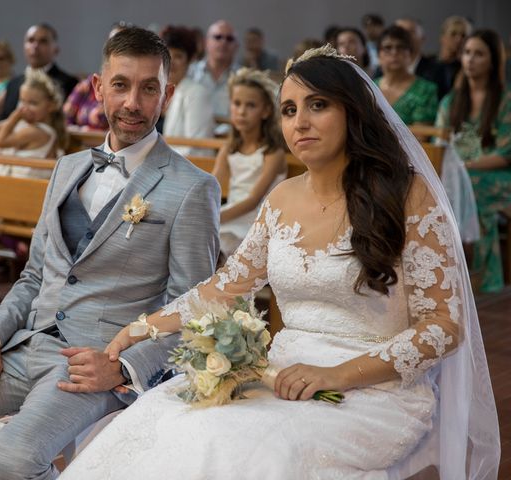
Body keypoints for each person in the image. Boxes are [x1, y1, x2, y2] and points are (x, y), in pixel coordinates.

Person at [61, 45, 500, 480]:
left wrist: (338, 375)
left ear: (353, 111)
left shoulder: (408, 194)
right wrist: (142, 327)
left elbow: (444, 324)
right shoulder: (282, 199)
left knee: (251, 452)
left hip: (372, 390)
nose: (300, 121)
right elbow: (226, 287)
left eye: (318, 105)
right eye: (288, 110)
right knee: (161, 416)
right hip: (278, 375)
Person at [0, 26, 221, 480]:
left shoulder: (192, 187)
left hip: (95, 365)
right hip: (23, 346)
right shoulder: (68, 168)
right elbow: (35, 276)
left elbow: (192, 312)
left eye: (148, 87)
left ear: (166, 94)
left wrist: (121, 367)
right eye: (120, 84)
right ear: (98, 88)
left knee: (15, 458)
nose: (133, 102)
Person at [435, 29, 511, 294]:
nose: (470, 59)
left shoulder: (505, 100)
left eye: (479, 53)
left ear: (493, 60)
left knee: (472, 187)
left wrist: (465, 169)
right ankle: (444, 274)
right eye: (467, 53)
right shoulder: (451, 101)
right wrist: (457, 171)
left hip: (496, 176)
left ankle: (482, 279)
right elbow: (439, 145)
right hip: (457, 175)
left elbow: (505, 154)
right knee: (434, 192)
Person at [212, 68, 286, 258]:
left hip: (257, 218)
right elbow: (212, 186)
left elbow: (254, 200)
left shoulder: (272, 152)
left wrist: (216, 217)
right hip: (232, 213)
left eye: (251, 105)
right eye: (237, 104)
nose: (242, 111)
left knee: (222, 238)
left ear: (266, 111)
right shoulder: (229, 147)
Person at [0, 69, 67, 179]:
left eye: (33, 103)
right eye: (22, 101)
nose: (24, 108)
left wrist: (14, 117)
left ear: (51, 106)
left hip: (23, 189)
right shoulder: (40, 129)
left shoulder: (37, 132)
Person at [1, 23, 78, 119]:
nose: (35, 46)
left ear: (56, 49)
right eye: (30, 40)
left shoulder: (69, 83)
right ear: (24, 47)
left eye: (43, 41)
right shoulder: (13, 84)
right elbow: (4, 118)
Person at [161, 25, 215, 156]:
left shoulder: (197, 93)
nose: (172, 61)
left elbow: (198, 150)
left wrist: (156, 155)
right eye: (167, 55)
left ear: (190, 60)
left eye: (178, 56)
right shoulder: (158, 91)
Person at [375, 26, 438, 125]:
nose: (394, 52)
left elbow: (421, 134)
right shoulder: (368, 88)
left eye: (401, 47)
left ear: (411, 54)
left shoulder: (426, 90)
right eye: (388, 47)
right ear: (378, 55)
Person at [188, 20, 240, 119]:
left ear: (236, 46)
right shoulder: (189, 73)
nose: (223, 42)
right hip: (190, 133)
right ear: (206, 42)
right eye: (218, 37)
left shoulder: (243, 77)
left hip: (230, 133)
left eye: (229, 39)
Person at [434, 16, 472, 99]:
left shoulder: (468, 67)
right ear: (443, 37)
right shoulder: (429, 64)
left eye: (463, 35)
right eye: (453, 34)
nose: (458, 39)